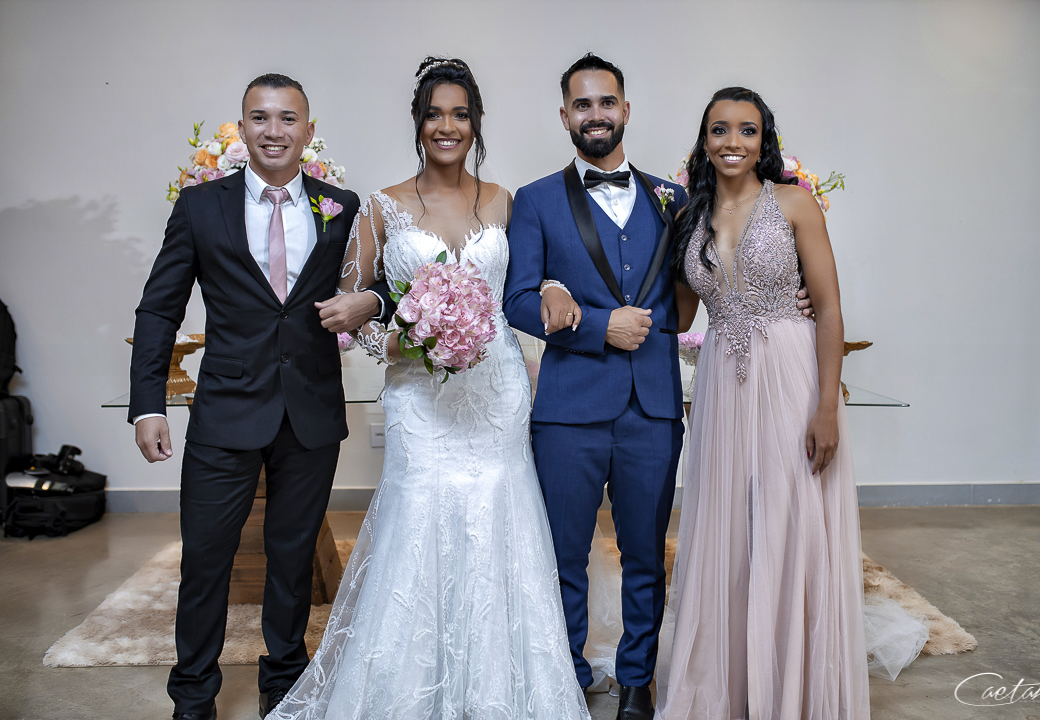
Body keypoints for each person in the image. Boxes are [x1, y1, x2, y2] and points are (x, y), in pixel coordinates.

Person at [266, 57, 590, 720]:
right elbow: (351, 308)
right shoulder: (380, 206)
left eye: (460, 115)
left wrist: (555, 286)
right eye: (435, 114)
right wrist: (392, 339)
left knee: (497, 524)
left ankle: (496, 693)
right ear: (418, 123)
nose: (448, 126)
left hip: (495, 394)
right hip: (419, 398)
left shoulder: (503, 201)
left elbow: (529, 281)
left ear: (476, 123)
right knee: (419, 526)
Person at [128, 74, 392, 720]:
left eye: (287, 118)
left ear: (308, 130)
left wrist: (371, 302)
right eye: (260, 118)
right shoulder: (200, 207)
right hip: (225, 410)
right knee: (205, 561)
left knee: (293, 559)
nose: (274, 131)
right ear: (242, 128)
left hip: (310, 412)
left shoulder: (341, 205)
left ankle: (284, 681)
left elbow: (382, 283)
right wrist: (148, 404)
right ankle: (194, 694)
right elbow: (160, 309)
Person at [654, 87, 871, 720]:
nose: (732, 142)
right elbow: (680, 315)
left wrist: (826, 407)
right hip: (723, 381)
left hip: (790, 375)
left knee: (789, 518)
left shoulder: (794, 204)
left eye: (746, 130)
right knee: (728, 525)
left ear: (763, 140)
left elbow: (828, 309)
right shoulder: (688, 219)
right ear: (704, 141)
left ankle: (793, 689)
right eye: (719, 129)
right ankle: (731, 684)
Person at [502, 53, 687, 720]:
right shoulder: (535, 200)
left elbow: (708, 278)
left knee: (646, 555)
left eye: (607, 102)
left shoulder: (673, 199)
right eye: (583, 105)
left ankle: (637, 682)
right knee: (564, 556)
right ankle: (568, 677)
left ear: (625, 110)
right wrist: (598, 326)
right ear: (565, 116)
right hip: (569, 410)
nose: (596, 114)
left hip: (652, 408)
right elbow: (517, 300)